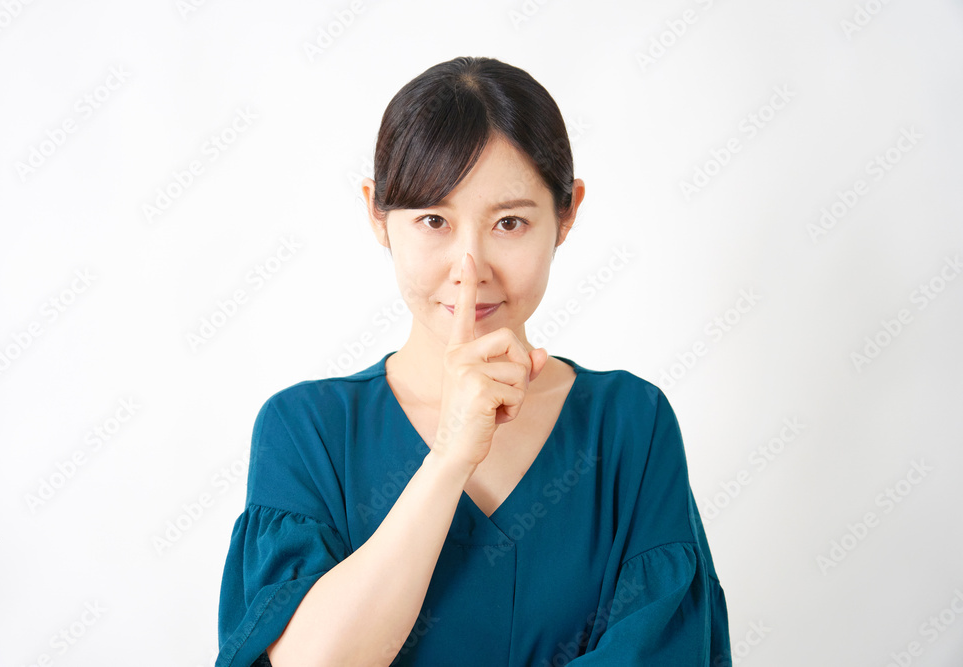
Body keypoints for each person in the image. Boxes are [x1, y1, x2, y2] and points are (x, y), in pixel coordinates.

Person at [215, 55, 731, 666]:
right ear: (378, 215)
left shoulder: (630, 425)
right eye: (433, 220)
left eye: (509, 222)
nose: (470, 269)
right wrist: (450, 457)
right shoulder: (308, 430)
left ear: (567, 213)